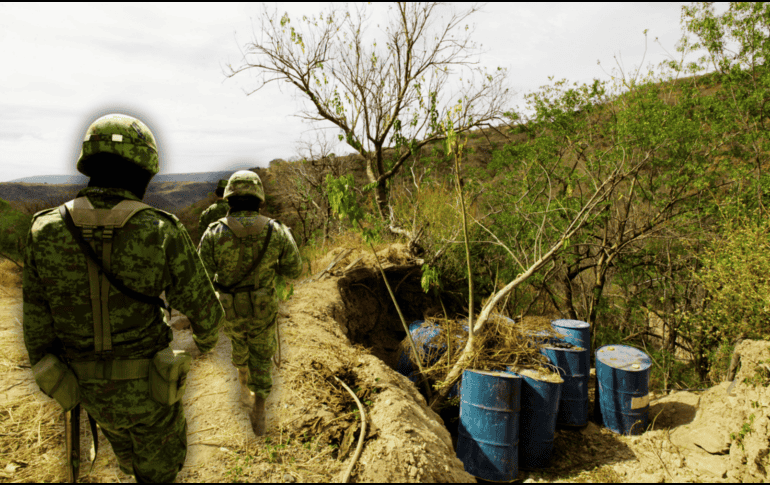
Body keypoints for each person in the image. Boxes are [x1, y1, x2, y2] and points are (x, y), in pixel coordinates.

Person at [23, 113, 223, 483]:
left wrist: (59, 379)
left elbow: (37, 330)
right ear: (144, 170)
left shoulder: (44, 229)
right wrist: (206, 343)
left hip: (89, 392)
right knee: (160, 470)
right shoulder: (161, 228)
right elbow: (206, 312)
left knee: (125, 451)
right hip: (151, 389)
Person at [198, 170, 302, 435]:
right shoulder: (276, 230)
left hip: (230, 309)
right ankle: (260, 402)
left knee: (238, 343)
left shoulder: (212, 233)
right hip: (263, 306)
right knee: (263, 354)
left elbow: (201, 279)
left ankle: (242, 382)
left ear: (229, 199)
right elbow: (294, 269)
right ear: (259, 198)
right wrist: (271, 266)